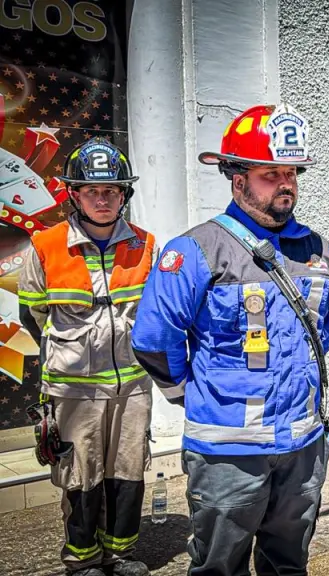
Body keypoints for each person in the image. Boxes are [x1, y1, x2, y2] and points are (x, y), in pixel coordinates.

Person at [131, 104, 329, 575]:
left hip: (302, 446)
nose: (286, 183)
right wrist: (195, 395)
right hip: (228, 452)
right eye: (271, 173)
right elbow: (153, 340)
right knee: (219, 568)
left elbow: (328, 328)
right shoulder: (196, 250)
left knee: (288, 563)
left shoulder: (319, 250)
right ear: (238, 178)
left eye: (291, 172)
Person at [18, 139, 155, 576]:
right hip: (74, 388)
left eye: (112, 190)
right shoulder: (45, 245)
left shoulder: (148, 245)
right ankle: (82, 560)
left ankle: (120, 553)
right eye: (92, 190)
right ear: (74, 194)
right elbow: (34, 313)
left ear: (124, 195)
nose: (102, 198)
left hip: (133, 385)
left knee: (128, 470)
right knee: (80, 476)